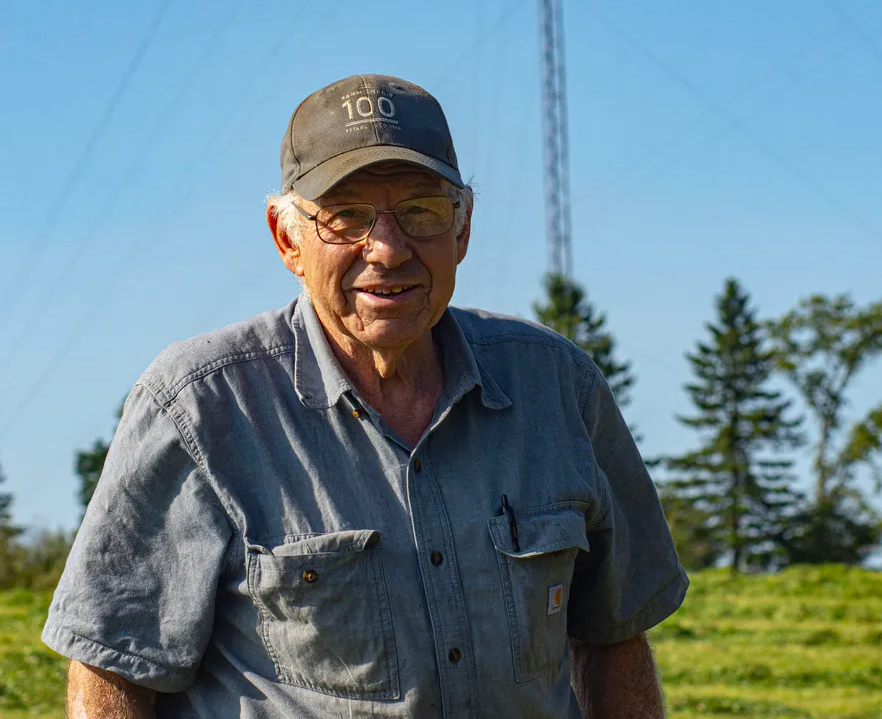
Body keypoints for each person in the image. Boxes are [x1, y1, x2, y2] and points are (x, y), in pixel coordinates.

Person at [43, 74, 688, 718]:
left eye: (421, 211)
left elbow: (614, 640)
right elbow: (114, 673)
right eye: (346, 216)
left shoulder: (559, 389)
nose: (387, 248)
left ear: (462, 229)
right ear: (286, 238)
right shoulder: (200, 407)